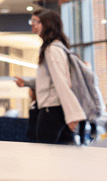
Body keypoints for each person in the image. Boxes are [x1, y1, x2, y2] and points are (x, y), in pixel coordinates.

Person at [29, 9, 86, 144]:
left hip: (52, 109)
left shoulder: (52, 50)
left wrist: (72, 114)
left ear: (48, 24)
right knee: (62, 154)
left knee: (45, 154)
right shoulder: (56, 48)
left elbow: (61, 83)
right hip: (56, 109)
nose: (33, 25)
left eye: (37, 22)